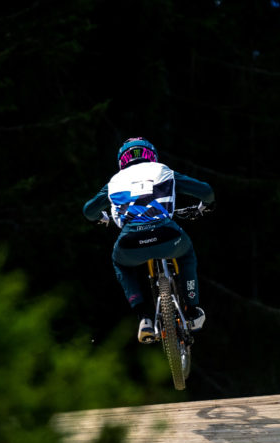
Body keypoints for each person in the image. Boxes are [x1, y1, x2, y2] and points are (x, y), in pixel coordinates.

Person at [83, 137, 215, 343]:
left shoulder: (114, 182)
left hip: (131, 244)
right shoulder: (163, 170)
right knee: (186, 254)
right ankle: (192, 309)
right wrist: (204, 205)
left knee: (121, 264)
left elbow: (88, 210)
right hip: (167, 235)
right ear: (151, 155)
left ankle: (144, 316)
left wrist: (103, 219)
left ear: (122, 161)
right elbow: (205, 191)